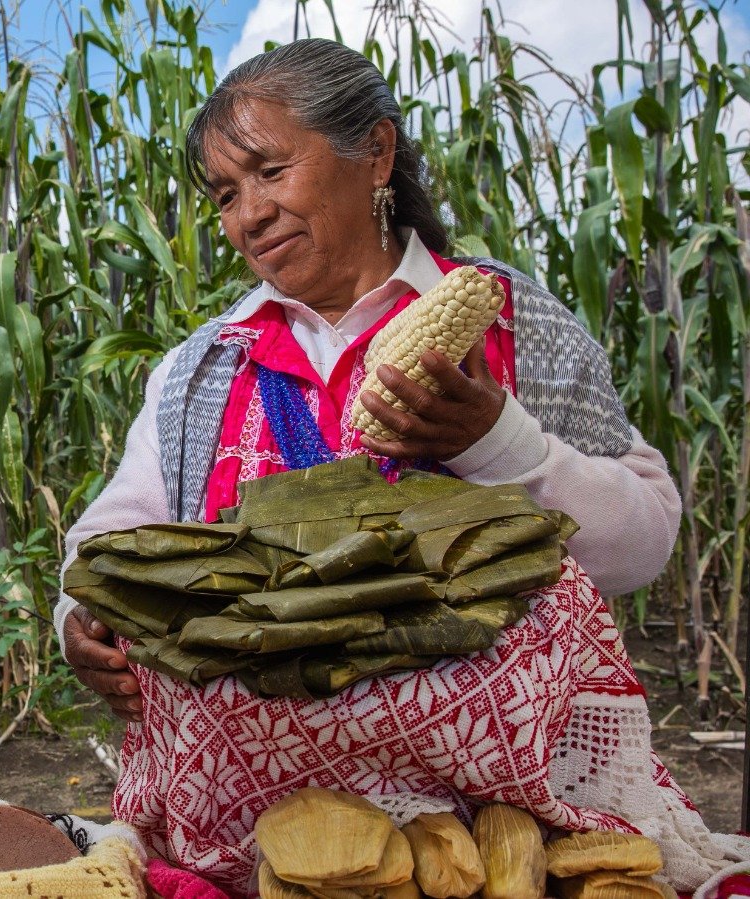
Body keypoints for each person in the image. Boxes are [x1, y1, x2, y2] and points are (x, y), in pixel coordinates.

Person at [54, 38, 746, 892]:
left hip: (499, 833)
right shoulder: (203, 369)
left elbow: (644, 543)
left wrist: (496, 440)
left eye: (271, 171)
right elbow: (112, 536)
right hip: (264, 839)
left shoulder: (513, 321)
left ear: (374, 153)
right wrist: (77, 617)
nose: (248, 216)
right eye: (225, 195)